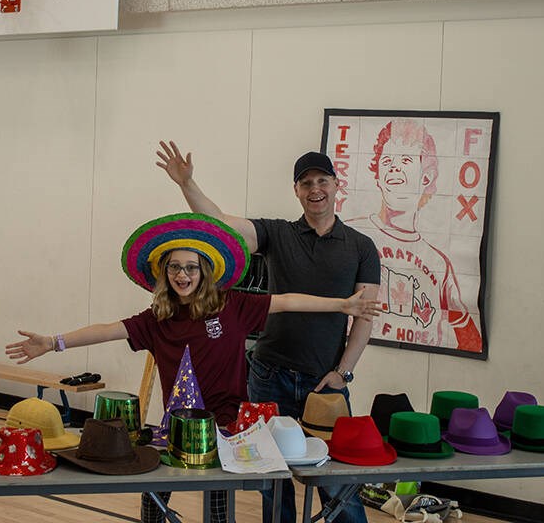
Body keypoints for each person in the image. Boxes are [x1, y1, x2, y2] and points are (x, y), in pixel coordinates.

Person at [6, 213, 380, 523]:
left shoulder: (232, 306)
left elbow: (286, 301)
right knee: (152, 505)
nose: (182, 276)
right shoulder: (158, 318)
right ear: (164, 274)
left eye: (190, 267)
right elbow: (107, 329)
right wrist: (53, 342)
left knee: (219, 512)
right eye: (174, 268)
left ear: (204, 270)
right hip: (174, 430)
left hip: (228, 433)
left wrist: (341, 306)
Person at [156, 141, 380, 523]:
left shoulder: (361, 247)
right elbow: (222, 223)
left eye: (322, 180)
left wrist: (342, 374)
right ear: (296, 190)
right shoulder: (279, 234)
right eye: (306, 182)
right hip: (268, 376)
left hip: (324, 383)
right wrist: (187, 184)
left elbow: (364, 317)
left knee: (337, 479)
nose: (315, 189)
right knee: (272, 479)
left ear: (336, 184)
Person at [346, 118, 482, 353]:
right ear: (376, 174)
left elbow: (467, 333)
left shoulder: (439, 263)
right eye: (387, 160)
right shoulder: (349, 236)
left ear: (426, 178)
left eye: (406, 160)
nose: (394, 168)